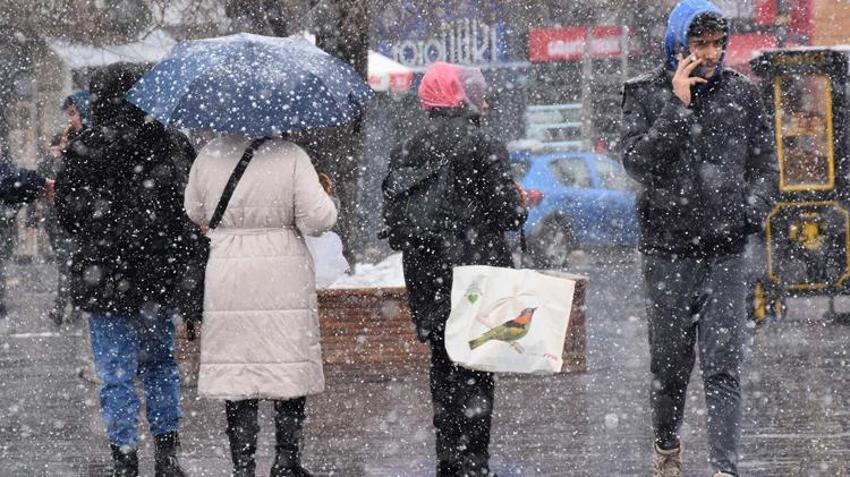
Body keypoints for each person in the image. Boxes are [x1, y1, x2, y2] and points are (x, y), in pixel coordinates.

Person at [620, 1, 777, 476]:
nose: (710, 53)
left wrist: (749, 211)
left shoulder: (742, 95)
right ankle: (667, 450)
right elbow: (636, 162)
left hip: (726, 254)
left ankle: (724, 468)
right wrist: (677, 106)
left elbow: (766, 166)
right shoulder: (644, 94)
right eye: (698, 43)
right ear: (677, 43)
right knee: (669, 368)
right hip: (667, 255)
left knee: (723, 366)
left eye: (715, 43)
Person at [381, 62, 527, 476]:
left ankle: (448, 459)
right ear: (461, 96)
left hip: (428, 277)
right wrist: (517, 203)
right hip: (475, 274)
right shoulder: (484, 146)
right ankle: (475, 462)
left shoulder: (406, 148)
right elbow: (508, 214)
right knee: (477, 370)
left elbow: (394, 225)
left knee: (442, 368)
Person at [55, 63, 193, 477]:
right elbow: (184, 212)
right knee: (160, 363)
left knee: (114, 372)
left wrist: (101, 225)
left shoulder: (85, 148)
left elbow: (68, 216)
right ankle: (167, 456)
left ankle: (125, 457)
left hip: (104, 276)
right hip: (155, 272)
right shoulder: (167, 142)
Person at [184, 133, 337, 477]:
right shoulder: (292, 155)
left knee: (238, 369)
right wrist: (324, 192)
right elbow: (319, 220)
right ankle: (286, 459)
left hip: (228, 269)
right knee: (288, 364)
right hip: (282, 270)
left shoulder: (210, 153)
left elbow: (194, 209)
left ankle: (243, 466)